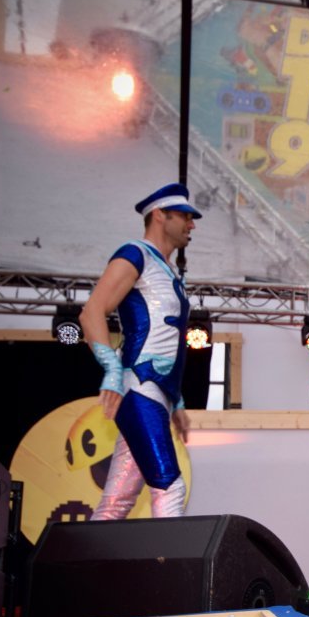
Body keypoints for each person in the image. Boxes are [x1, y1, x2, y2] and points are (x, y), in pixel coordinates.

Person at [80, 183, 200, 520]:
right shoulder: (135, 254)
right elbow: (92, 312)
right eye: (186, 216)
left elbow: (168, 342)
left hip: (155, 392)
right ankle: (173, 556)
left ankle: (83, 556)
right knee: (169, 486)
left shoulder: (168, 271)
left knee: (117, 501)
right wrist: (112, 370)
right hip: (139, 387)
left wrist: (176, 400)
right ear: (160, 215)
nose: (192, 225)